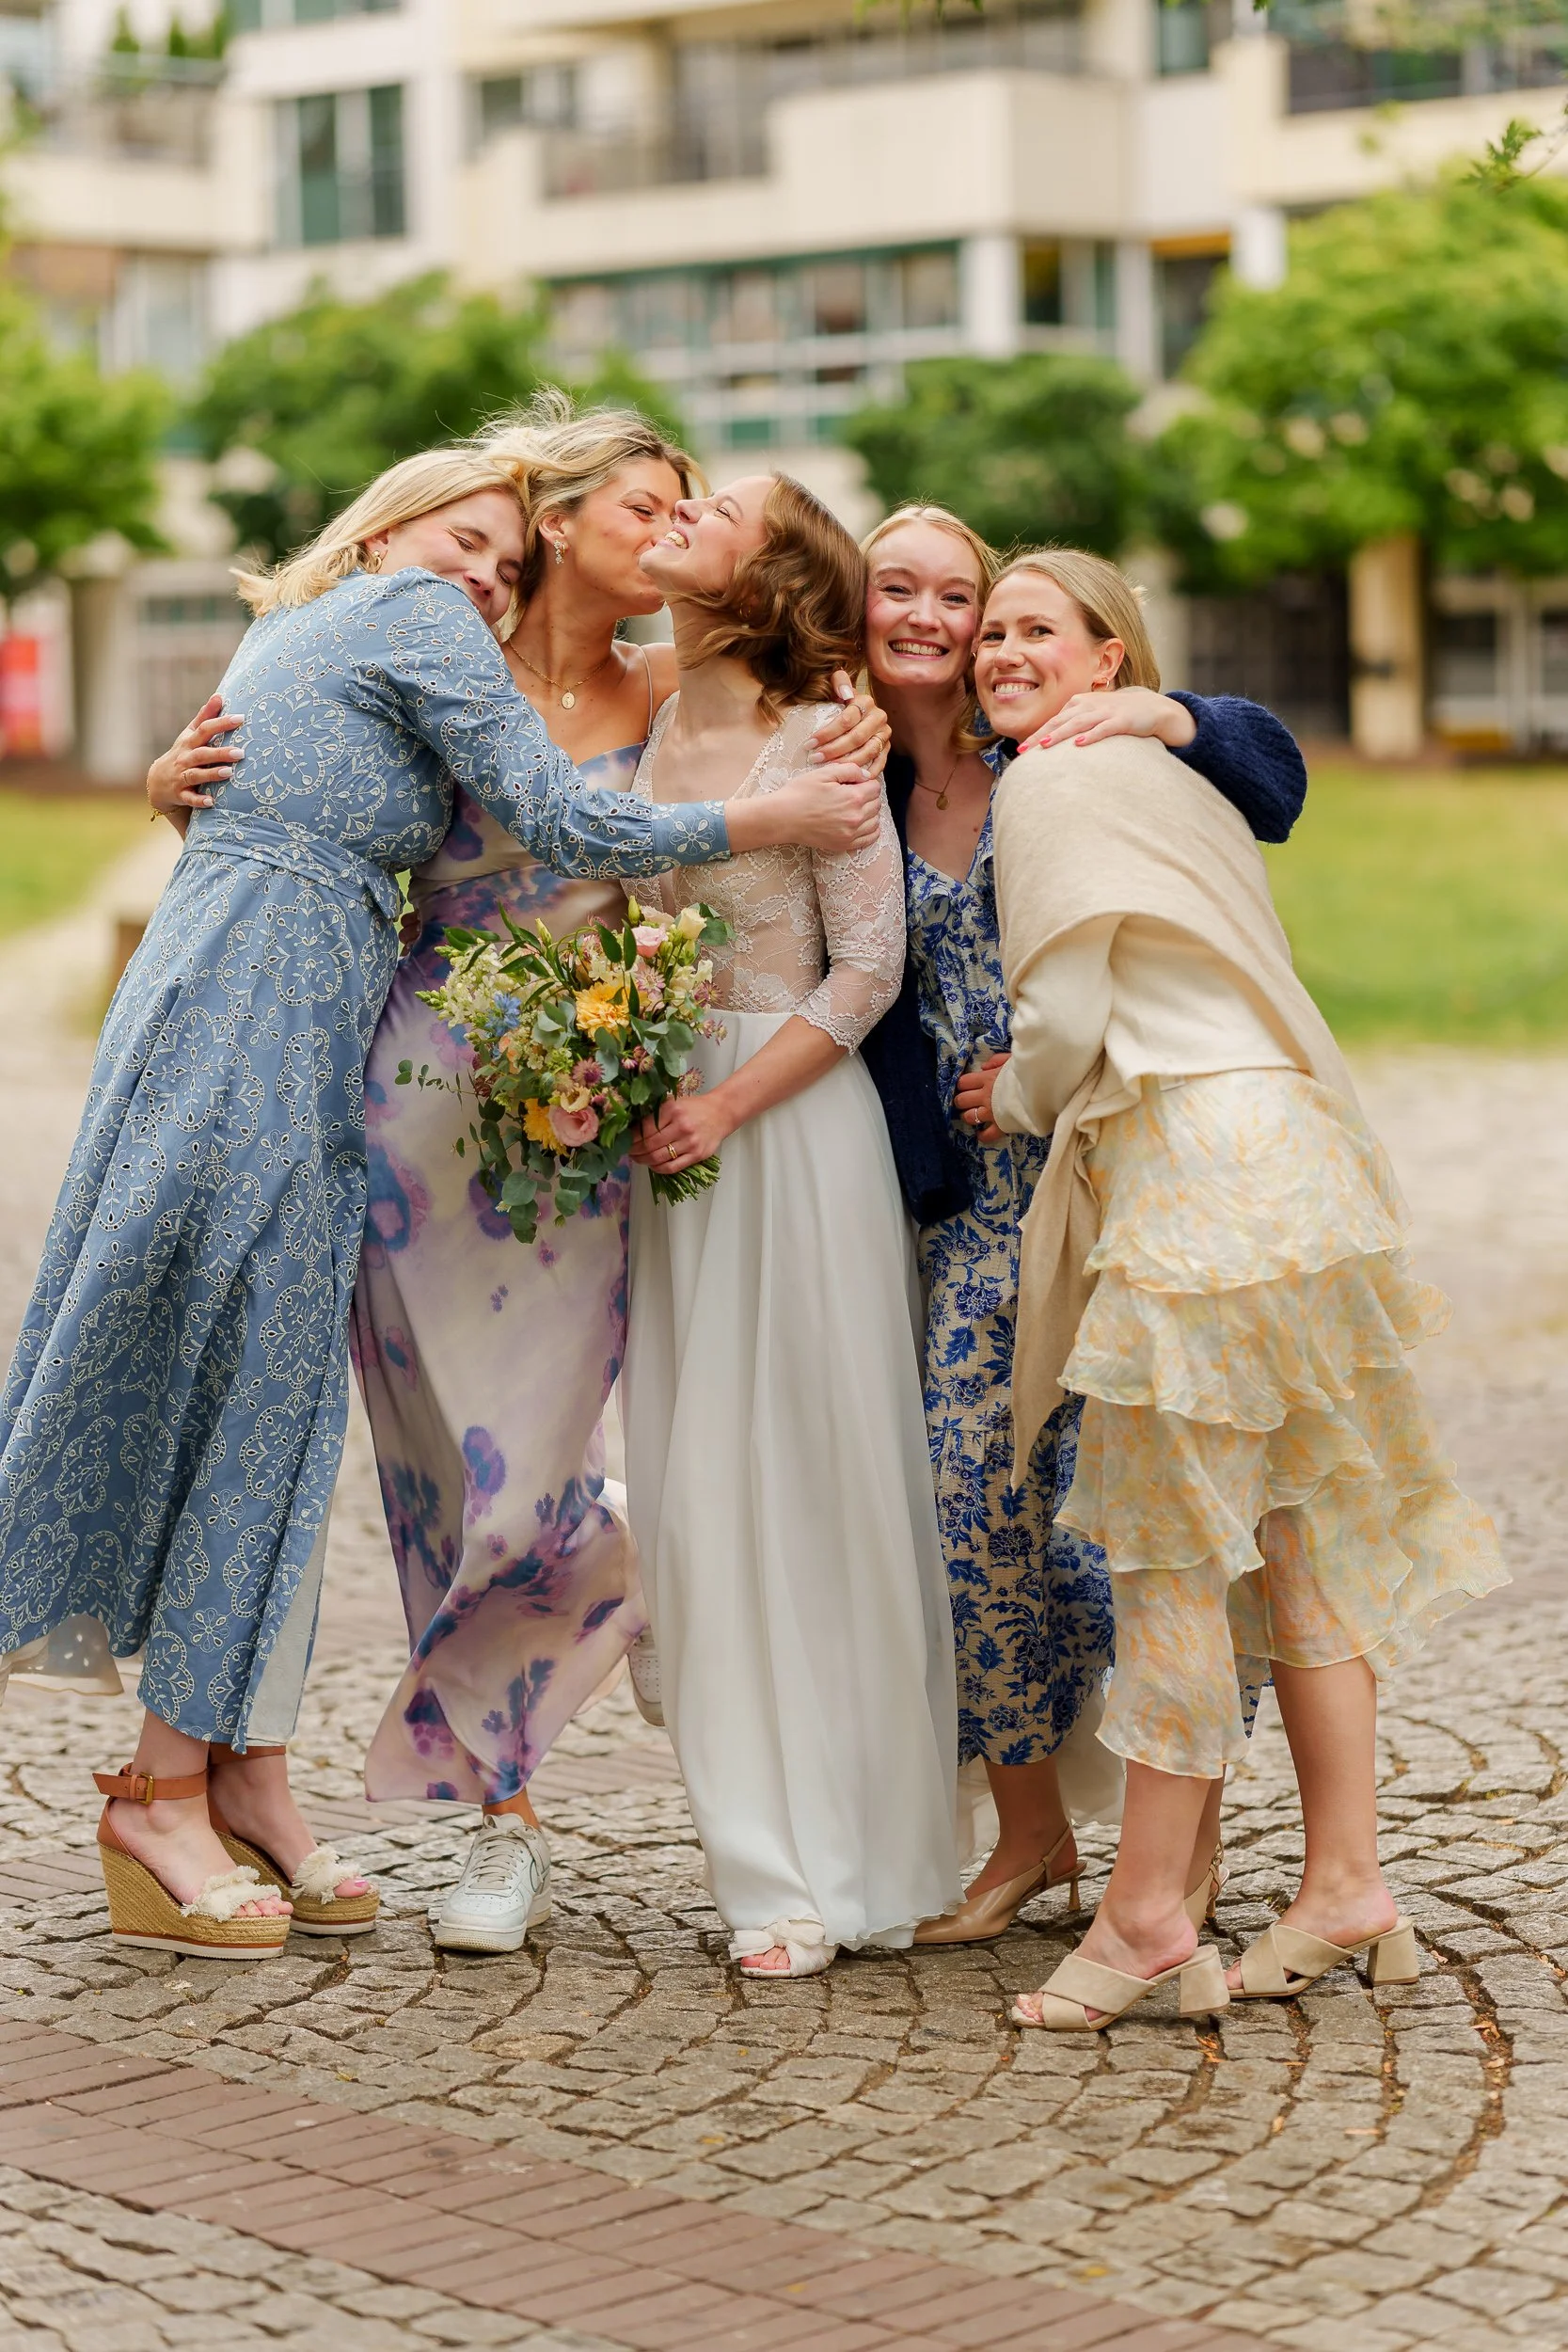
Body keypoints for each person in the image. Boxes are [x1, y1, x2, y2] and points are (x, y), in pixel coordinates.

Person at [0, 448, 883, 1963]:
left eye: (690, 512)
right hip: (385, 1074)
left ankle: (291, 1765)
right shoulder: (428, 629)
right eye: (637, 501)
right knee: (355, 1442)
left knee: (514, 1473)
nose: (666, 527)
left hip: (569, 1109)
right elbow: (304, 772)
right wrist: (176, 785)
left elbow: (824, 695)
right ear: (547, 521)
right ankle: (333, 1795)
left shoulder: (676, 686)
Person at [961, 549, 1507, 2031]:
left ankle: (1144, 1922)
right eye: (988, 632)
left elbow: (1068, 1015)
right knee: (1286, 1542)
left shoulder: (1047, 785)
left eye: (1034, 632)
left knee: (1166, 1566)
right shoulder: (1166, 776)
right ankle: (1344, 1884)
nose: (1001, 652)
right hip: (1298, 1169)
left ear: (1108, 660)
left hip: (1196, 1180)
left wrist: (1008, 1095)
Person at [856, 506, 1315, 1947]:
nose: (960, 634)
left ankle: (1183, 1856)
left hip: (1109, 1180)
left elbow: (1273, 776)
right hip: (969, 1212)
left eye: (984, 609)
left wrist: (1160, 704)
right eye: (921, 604)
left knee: (1137, 1525)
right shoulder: (855, 777)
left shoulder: (1070, 750)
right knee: (969, 1509)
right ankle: (1029, 1837)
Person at [623, 474, 962, 1978]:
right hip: (660, 1131)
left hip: (785, 1129)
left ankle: (855, 1861)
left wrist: (727, 1104)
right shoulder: (637, 708)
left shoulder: (826, 729)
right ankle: (756, 1860)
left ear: (766, 577)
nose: (682, 506)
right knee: (696, 1495)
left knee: (812, 1486)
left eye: (717, 507)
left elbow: (866, 971)